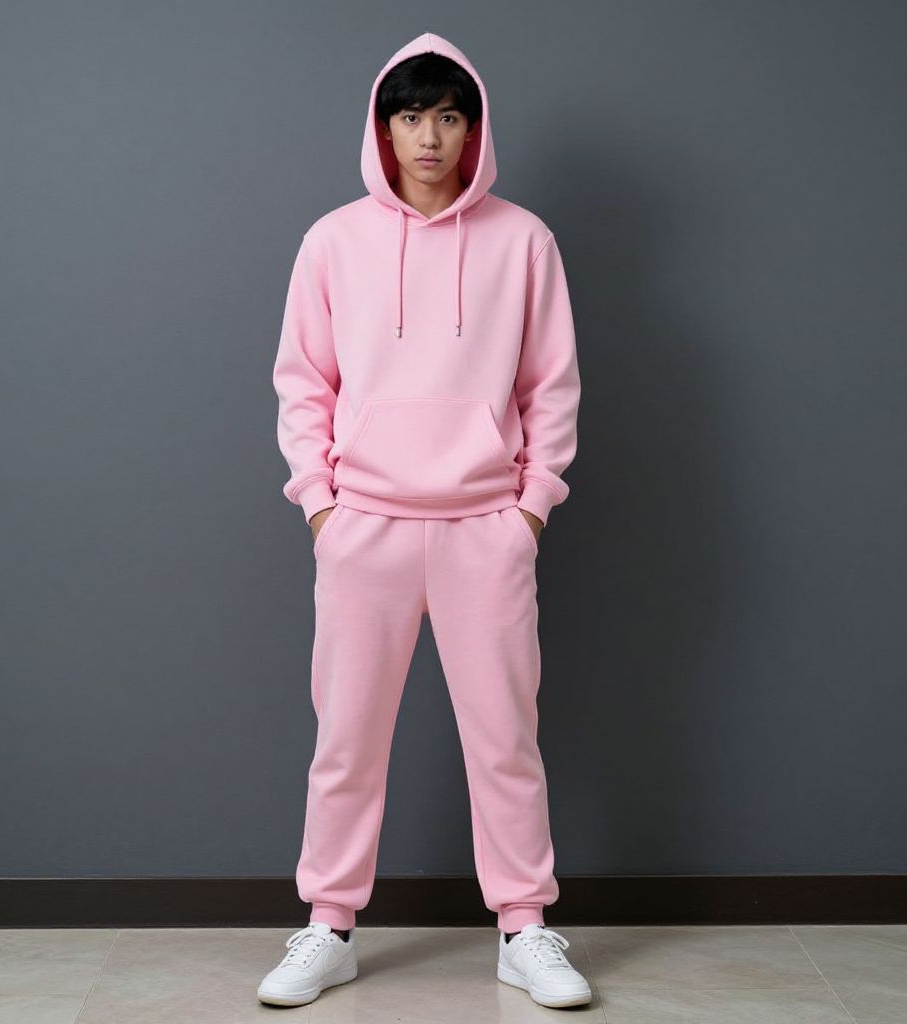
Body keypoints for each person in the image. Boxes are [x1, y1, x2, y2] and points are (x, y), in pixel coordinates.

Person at [259, 31, 588, 1010]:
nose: (431, 137)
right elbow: (302, 383)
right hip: (364, 525)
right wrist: (321, 506)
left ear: (472, 127)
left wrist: (529, 510)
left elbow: (551, 386)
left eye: (448, 115)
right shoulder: (332, 241)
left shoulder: (524, 242)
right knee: (346, 738)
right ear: (384, 128)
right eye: (411, 116)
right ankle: (328, 925)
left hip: (487, 525)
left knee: (506, 737)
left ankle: (523, 928)